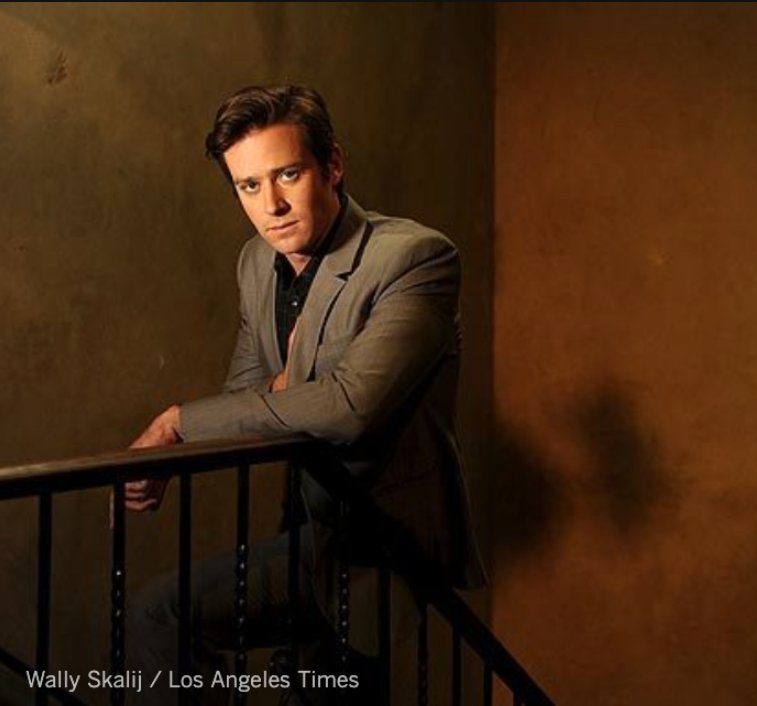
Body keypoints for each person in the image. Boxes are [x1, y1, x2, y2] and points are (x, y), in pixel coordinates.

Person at [123, 84, 485, 705]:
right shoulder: (255, 263)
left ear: (332, 165)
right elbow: (244, 394)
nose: (272, 205)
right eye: (249, 185)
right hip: (308, 529)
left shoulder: (415, 258)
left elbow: (350, 408)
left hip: (378, 546)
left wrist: (179, 422)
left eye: (288, 174)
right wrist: (292, 390)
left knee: (162, 616)